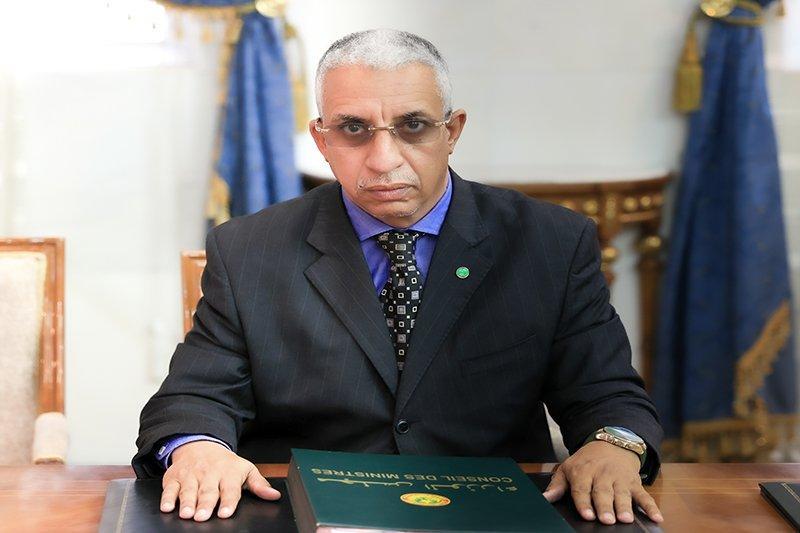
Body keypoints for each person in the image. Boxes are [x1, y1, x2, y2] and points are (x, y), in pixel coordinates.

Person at [134, 29, 664, 526]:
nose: (384, 160)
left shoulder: (550, 243)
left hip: (488, 516)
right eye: (353, 129)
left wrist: (614, 443)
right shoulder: (248, 249)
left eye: (413, 126)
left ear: (452, 131)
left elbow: (605, 392)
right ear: (321, 139)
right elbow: (195, 397)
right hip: (302, 513)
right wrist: (198, 446)